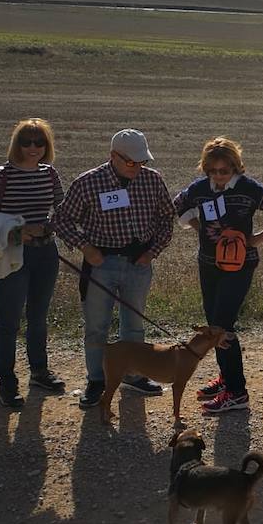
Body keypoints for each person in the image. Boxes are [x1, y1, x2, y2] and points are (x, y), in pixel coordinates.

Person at [52, 129, 175, 410]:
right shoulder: (88, 183)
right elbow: (60, 219)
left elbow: (167, 218)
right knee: (97, 326)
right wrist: (85, 247)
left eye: (141, 162)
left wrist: (151, 252)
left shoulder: (153, 181)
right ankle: (97, 380)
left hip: (138, 264)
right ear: (113, 157)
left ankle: (133, 375)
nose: (137, 167)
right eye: (131, 162)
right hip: (101, 264)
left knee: (134, 325)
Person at [173, 137, 263, 415]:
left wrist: (255, 240)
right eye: (212, 171)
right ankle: (226, 378)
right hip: (208, 265)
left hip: (240, 267)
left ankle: (237, 393)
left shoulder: (249, 188)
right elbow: (178, 205)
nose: (218, 176)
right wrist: (200, 230)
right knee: (214, 324)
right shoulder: (200, 188)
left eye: (224, 171)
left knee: (221, 327)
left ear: (235, 168)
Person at [0, 118, 67, 408]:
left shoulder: (50, 174)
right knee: (9, 320)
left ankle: (39, 372)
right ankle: (6, 383)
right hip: (12, 256)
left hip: (45, 253)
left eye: (40, 142)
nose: (33, 148)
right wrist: (16, 232)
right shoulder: (1, 176)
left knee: (38, 317)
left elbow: (62, 211)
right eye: (27, 142)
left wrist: (50, 227)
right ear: (17, 144)